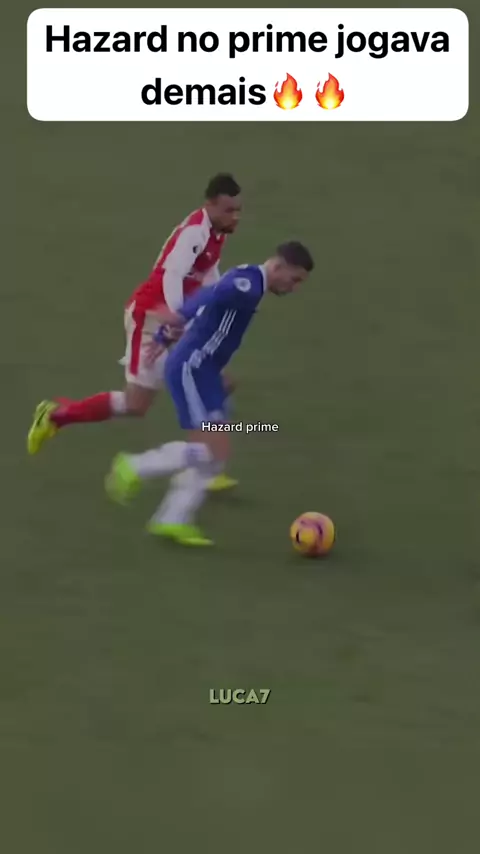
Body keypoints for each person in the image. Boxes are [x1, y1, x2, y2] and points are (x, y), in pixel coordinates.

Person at [26, 172, 242, 492]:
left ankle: (206, 467)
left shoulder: (217, 232)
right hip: (152, 317)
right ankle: (57, 415)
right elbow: (171, 276)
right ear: (210, 205)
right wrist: (177, 319)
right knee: (136, 404)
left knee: (217, 383)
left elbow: (208, 271)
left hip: (176, 318)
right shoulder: (194, 233)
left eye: (238, 210)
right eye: (228, 210)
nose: (235, 216)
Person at [105, 241, 314, 546]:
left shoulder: (250, 279)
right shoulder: (247, 285)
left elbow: (210, 309)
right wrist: (177, 317)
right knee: (210, 451)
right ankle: (134, 466)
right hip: (192, 369)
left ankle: (172, 519)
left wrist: (166, 337)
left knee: (217, 455)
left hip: (206, 371)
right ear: (279, 266)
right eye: (294, 279)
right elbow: (211, 295)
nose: (293, 288)